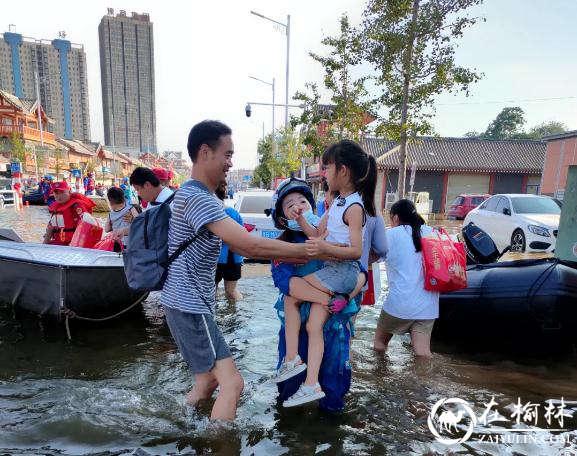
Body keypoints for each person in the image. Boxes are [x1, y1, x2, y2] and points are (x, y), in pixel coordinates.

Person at [161, 120, 310, 422]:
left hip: (185, 303)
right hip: (189, 305)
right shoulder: (197, 198)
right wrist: (309, 251)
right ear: (205, 152)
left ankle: (180, 423)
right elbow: (248, 247)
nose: (230, 163)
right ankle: (219, 444)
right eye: (227, 154)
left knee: (207, 381)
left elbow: (246, 246)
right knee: (233, 383)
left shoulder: (194, 196)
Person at [271, 140, 377, 407]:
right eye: (290, 204)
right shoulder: (282, 248)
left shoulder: (341, 215)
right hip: (303, 329)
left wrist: (347, 295)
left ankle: (323, 402)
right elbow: (286, 283)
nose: (299, 207)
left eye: (303, 201)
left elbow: (359, 272)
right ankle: (299, 376)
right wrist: (329, 298)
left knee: (334, 393)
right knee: (288, 395)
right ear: (282, 218)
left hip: (333, 328)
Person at [373, 199, 439, 357]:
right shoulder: (433, 233)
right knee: (423, 354)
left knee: (379, 345)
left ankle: (380, 377)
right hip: (428, 306)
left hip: (400, 304)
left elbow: (372, 258)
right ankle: (424, 381)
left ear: (395, 218)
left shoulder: (392, 234)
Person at [215, 182, 244, 301]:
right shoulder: (233, 213)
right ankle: (237, 313)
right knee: (231, 291)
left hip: (214, 258)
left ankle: (212, 316)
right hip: (233, 257)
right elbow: (241, 235)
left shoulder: (207, 211)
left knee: (211, 291)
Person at [43, 181, 96, 245]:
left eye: (62, 192)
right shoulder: (55, 209)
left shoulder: (76, 206)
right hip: (59, 243)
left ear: (69, 191)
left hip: (74, 245)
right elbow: (51, 228)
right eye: (56, 193)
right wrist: (44, 245)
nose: (59, 196)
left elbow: (89, 223)